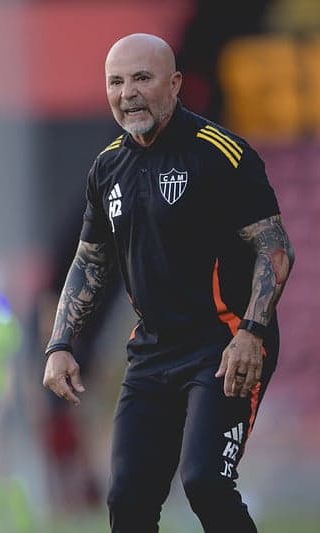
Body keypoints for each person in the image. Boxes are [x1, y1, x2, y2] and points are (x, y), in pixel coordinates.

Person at [42, 33, 294, 532]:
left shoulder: (220, 154)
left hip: (223, 345)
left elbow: (274, 247)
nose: (127, 92)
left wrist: (251, 333)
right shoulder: (107, 168)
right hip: (153, 351)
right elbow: (89, 261)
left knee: (205, 481)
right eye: (116, 81)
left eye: (142, 78)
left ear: (175, 84)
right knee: (128, 499)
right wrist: (60, 343)